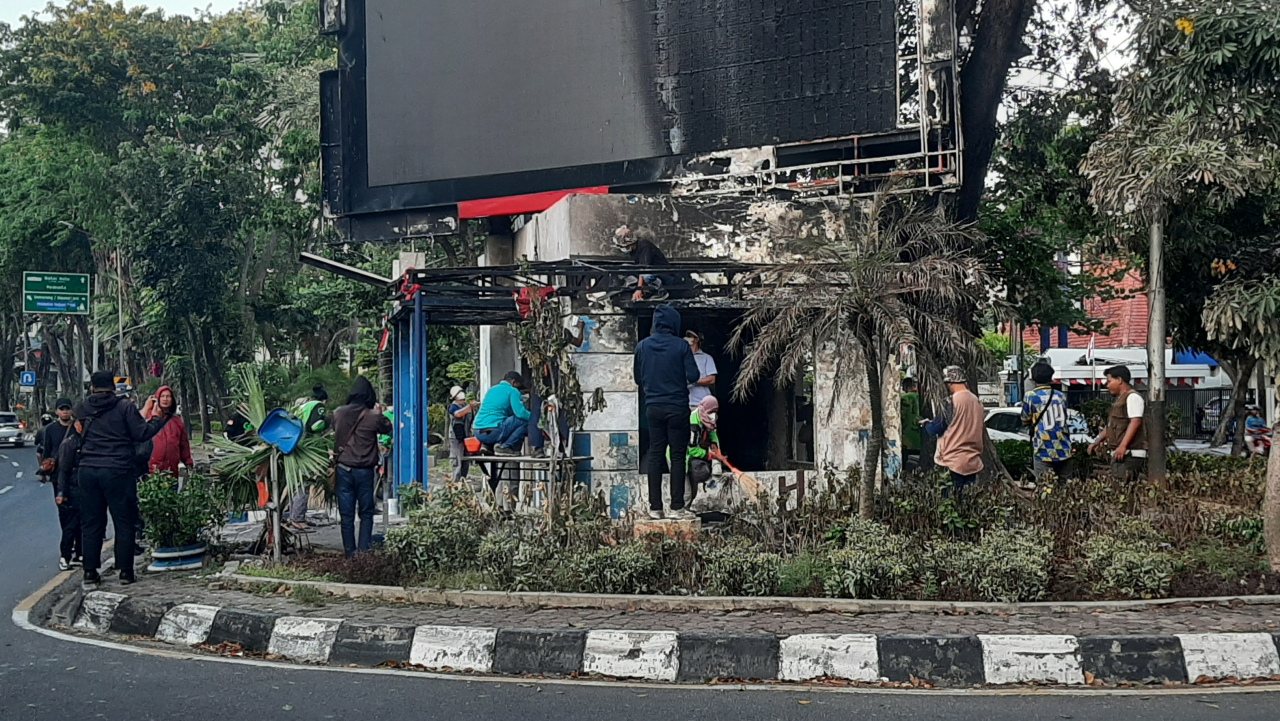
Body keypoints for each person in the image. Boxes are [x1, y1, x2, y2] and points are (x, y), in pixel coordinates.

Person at [75, 371, 171, 589]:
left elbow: (78, 433)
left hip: (88, 469)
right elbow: (141, 433)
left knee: (91, 522)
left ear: (92, 388)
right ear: (113, 387)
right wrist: (157, 418)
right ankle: (125, 571)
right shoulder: (124, 407)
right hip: (118, 469)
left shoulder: (82, 407)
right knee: (124, 520)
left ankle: (90, 572)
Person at [634, 305, 701, 520]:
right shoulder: (681, 346)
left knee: (655, 453)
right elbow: (693, 375)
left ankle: (655, 508)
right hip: (677, 407)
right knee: (678, 456)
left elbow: (637, 378)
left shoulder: (642, 346)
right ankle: (677, 507)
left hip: (653, 407)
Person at [331, 376, 393, 557]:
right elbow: (387, 428)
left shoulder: (338, 413)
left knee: (346, 515)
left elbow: (334, 428)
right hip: (365, 471)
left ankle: (349, 553)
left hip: (343, 469)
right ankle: (364, 552)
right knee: (366, 513)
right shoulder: (373, 416)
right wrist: (379, 411)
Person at [922, 365, 985, 497]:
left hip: (951, 461)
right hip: (972, 461)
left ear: (949, 383)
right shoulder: (977, 401)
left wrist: (926, 424)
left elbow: (936, 428)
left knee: (950, 501)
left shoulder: (951, 402)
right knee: (969, 501)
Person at [37, 399, 80, 570]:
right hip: (58, 476)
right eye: (62, 409)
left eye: (67, 409)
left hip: (76, 475)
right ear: (56, 412)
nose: (65, 412)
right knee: (65, 513)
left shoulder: (77, 428)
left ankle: (79, 551)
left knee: (80, 514)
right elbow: (46, 451)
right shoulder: (50, 430)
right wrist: (43, 471)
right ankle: (68, 548)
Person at [1088, 365, 1146, 481]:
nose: (1107, 385)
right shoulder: (1119, 400)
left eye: (1109, 381)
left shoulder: (1132, 397)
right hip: (1121, 453)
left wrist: (1123, 446)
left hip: (1129, 454)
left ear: (1119, 380)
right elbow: (1110, 426)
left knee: (1121, 486)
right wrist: (1097, 441)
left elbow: (1135, 422)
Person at [669, 395, 726, 506]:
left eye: (715, 412)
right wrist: (711, 456)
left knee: (693, 492)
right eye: (711, 411)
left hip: (689, 458)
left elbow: (712, 433)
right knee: (686, 492)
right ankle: (680, 512)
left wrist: (714, 445)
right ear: (705, 409)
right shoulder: (693, 424)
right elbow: (692, 450)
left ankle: (686, 510)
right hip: (678, 457)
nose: (713, 415)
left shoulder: (707, 421)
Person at [1020, 362, 1072, 480]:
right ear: (1051, 377)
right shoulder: (1061, 396)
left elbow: (1025, 419)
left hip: (1043, 449)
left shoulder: (1031, 396)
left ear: (1033, 378)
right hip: (1064, 448)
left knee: (1045, 485)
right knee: (1066, 485)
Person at [288, 385, 330, 529]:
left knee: (297, 484)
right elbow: (316, 425)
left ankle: (294, 516)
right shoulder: (318, 405)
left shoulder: (301, 407)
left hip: (297, 447)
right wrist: (327, 422)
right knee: (304, 483)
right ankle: (298, 518)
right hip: (308, 449)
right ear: (325, 400)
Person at [473, 371, 531, 457]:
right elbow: (520, 413)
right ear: (514, 382)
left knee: (500, 420)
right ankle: (504, 447)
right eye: (519, 386)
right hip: (494, 431)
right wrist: (534, 417)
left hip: (478, 432)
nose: (519, 390)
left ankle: (487, 446)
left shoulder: (492, 389)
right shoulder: (513, 391)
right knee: (524, 421)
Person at [141, 386, 193, 477]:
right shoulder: (147, 420)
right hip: (150, 472)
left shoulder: (177, 422)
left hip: (171, 471)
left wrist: (188, 463)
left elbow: (184, 444)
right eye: (162, 396)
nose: (165, 399)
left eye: (168, 396)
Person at [613, 226, 672, 301]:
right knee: (624, 268)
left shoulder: (644, 246)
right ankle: (638, 287)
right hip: (647, 272)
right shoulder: (633, 250)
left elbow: (644, 269)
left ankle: (660, 291)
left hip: (662, 273)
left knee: (646, 276)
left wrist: (639, 289)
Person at [447, 386, 479, 483]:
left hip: (466, 438)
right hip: (456, 438)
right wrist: (469, 407)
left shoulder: (467, 407)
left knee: (465, 461)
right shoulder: (453, 407)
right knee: (457, 461)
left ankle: (463, 482)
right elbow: (458, 414)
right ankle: (456, 483)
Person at [684, 330, 718, 408]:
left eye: (689, 336)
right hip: (684, 404)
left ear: (696, 339)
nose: (687, 338)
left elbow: (711, 380)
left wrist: (692, 381)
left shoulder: (707, 358)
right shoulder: (681, 358)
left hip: (701, 404)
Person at [900, 378, 922, 462]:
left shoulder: (904, 398)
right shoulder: (922, 398)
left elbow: (901, 416)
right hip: (920, 437)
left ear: (904, 387)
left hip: (906, 438)